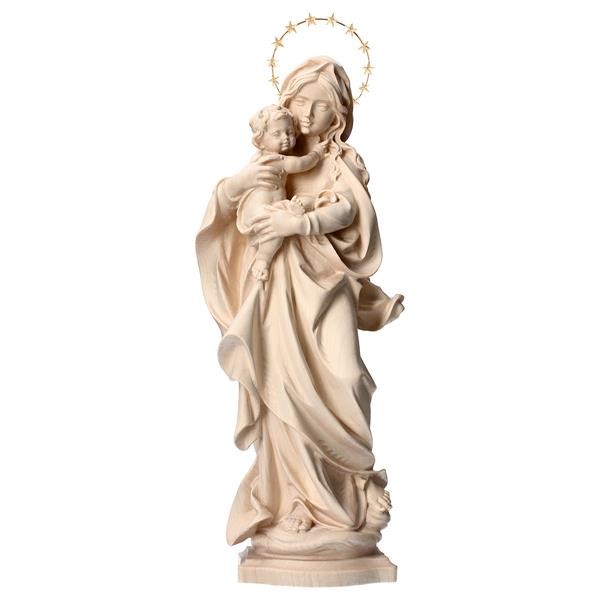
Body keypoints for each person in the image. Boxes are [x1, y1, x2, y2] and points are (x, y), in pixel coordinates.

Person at [196, 56, 404, 556]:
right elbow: (228, 204)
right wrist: (238, 187)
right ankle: (295, 501)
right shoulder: (271, 153)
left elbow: (351, 210)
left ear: (340, 117)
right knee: (282, 387)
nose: (307, 115)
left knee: (346, 378)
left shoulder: (339, 162)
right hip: (276, 292)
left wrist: (301, 222)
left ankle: (350, 493)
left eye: (321, 106)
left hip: (327, 285)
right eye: (299, 102)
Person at [237, 104, 329, 282]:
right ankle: (263, 260)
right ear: (260, 140)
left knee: (284, 219)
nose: (286, 138)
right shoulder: (278, 160)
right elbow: (302, 163)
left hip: (254, 209)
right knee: (277, 229)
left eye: (289, 132)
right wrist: (317, 153)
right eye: (277, 134)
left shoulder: (258, 158)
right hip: (263, 209)